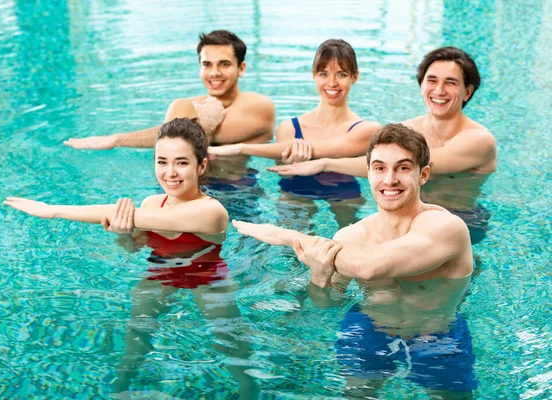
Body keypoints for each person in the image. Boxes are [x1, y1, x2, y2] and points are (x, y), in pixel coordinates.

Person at [5, 118, 257, 398]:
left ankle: (249, 390)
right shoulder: (152, 203)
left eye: (182, 163)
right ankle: (121, 390)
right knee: (135, 337)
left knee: (232, 344)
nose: (170, 173)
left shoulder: (212, 211)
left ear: (202, 166)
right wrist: (123, 234)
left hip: (207, 276)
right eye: (162, 162)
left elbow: (132, 214)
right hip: (162, 270)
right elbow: (133, 246)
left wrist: (52, 210)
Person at [233, 124, 478, 397]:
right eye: (380, 168)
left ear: (424, 175)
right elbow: (326, 304)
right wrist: (319, 277)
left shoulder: (446, 227)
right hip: (370, 327)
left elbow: (370, 266)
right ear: (369, 173)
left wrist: (291, 237)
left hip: (436, 333)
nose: (390, 179)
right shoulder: (350, 235)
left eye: (403, 168)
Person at [269, 46, 496, 243]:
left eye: (451, 83)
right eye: (432, 80)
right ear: (421, 85)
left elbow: (420, 163)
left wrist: (325, 164)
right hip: (407, 216)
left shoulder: (478, 140)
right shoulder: (408, 130)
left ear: (467, 92)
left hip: (459, 219)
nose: (439, 90)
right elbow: (383, 165)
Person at [209, 39, 381, 228]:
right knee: (289, 246)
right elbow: (284, 173)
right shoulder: (290, 128)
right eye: (324, 74)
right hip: (296, 189)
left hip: (344, 191)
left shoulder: (366, 130)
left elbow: (321, 150)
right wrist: (289, 163)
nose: (332, 83)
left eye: (341, 74)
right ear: (314, 75)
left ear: (354, 77)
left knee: (351, 239)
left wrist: (241, 148)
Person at [63, 30, 275, 149]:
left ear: (242, 68)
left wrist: (206, 126)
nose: (214, 73)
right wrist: (116, 139)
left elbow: (182, 143)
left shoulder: (258, 106)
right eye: (206, 64)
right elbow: (170, 145)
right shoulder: (186, 105)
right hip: (182, 189)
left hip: (238, 190)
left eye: (224, 64)